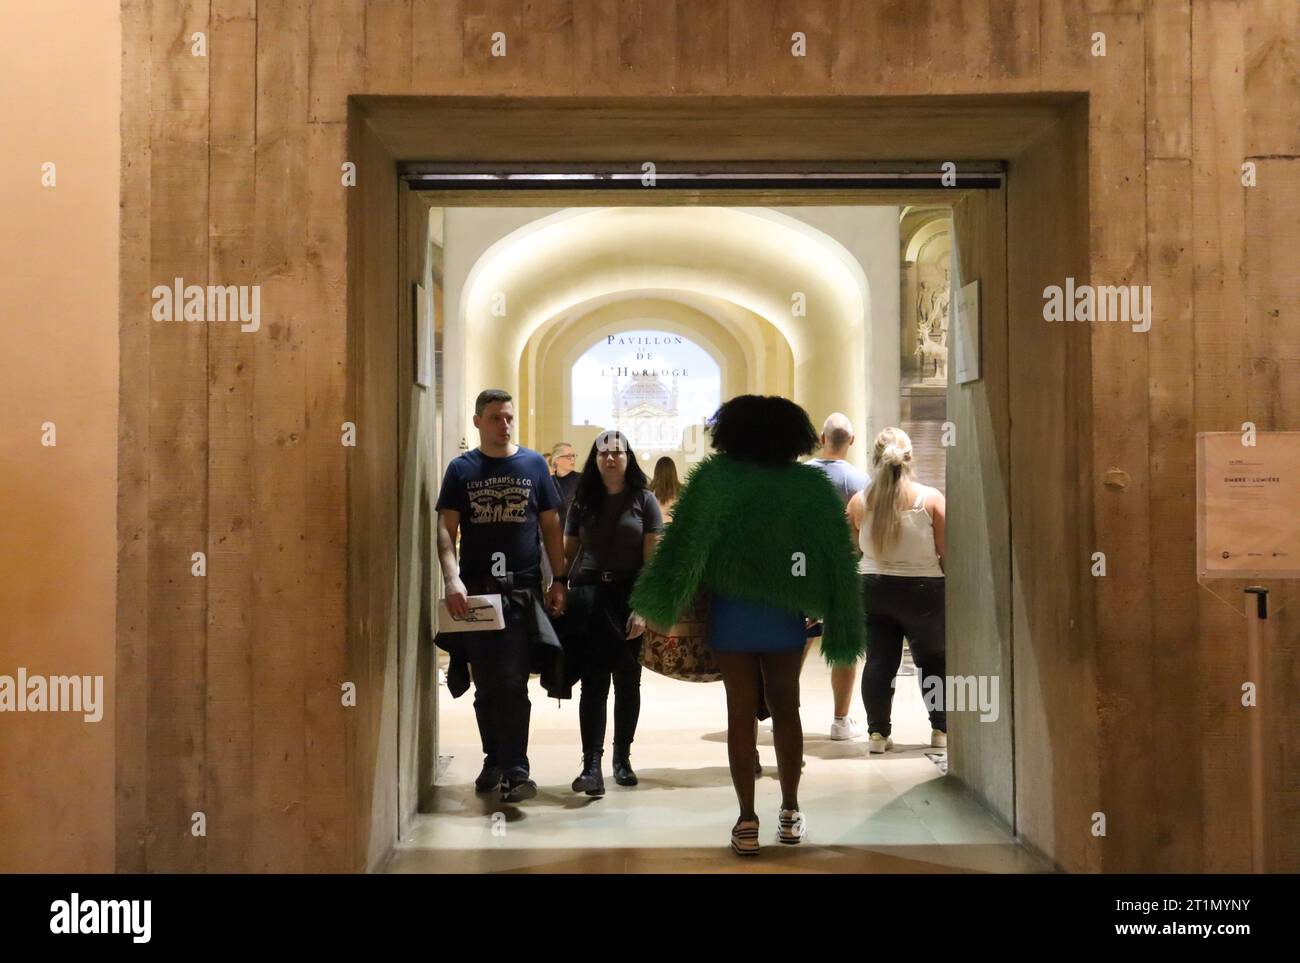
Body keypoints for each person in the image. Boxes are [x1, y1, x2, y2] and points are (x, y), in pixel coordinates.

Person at [632, 395, 864, 855]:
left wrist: (652, 605)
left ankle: (746, 820)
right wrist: (832, 609)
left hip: (732, 612)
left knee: (740, 712)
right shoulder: (807, 485)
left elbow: (683, 548)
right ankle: (791, 810)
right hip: (783, 614)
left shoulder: (716, 481)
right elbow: (833, 553)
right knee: (786, 709)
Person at [435, 389, 568, 803]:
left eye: (508, 417)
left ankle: (517, 767)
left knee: (513, 681)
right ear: (478, 422)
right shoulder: (462, 469)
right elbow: (446, 530)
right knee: (485, 683)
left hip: (521, 592)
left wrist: (559, 578)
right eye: (494, 417)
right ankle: (494, 758)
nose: (503, 424)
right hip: (475, 594)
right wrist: (451, 579)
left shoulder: (532, 465)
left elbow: (550, 526)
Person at [560, 430, 662, 795]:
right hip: (590, 596)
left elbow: (653, 563)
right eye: (604, 452)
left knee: (627, 681)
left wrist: (642, 608)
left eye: (618, 452)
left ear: (628, 457)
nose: (611, 458)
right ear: (595, 459)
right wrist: (555, 586)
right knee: (593, 683)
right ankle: (591, 766)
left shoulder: (644, 500)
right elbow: (567, 553)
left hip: (628, 597)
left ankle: (622, 759)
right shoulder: (582, 501)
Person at [846, 427, 947, 755]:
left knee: (879, 661)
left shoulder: (859, 502)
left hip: (873, 588)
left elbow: (855, 548)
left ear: (874, 459)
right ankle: (941, 729)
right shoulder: (930, 499)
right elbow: (946, 552)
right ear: (910, 458)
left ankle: (877, 734)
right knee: (934, 660)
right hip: (924, 589)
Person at [803, 413, 872, 742]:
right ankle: (840, 721)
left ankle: (782, 711)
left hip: (801, 570)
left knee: (794, 642)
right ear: (852, 442)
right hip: (845, 570)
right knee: (844, 646)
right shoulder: (862, 482)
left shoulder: (798, 477)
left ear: (821, 438)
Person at [550, 441, 581, 526]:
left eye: (574, 456)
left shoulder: (581, 479)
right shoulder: (549, 481)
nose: (573, 459)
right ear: (556, 460)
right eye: (568, 456)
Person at [649, 456, 681, 524]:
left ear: (656, 472)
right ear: (673, 471)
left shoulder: (650, 490)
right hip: (674, 529)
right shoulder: (681, 490)